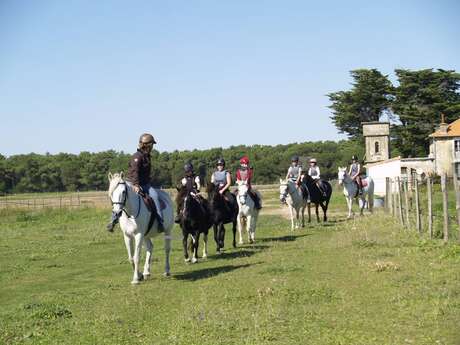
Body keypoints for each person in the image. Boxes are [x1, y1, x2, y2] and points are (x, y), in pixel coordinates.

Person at [107, 133, 164, 232]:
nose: (152, 147)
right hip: (136, 183)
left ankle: (156, 220)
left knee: (154, 196)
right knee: (154, 196)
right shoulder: (137, 157)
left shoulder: (146, 156)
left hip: (144, 183)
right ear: (146, 145)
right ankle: (160, 222)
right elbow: (135, 171)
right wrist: (136, 184)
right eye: (151, 144)